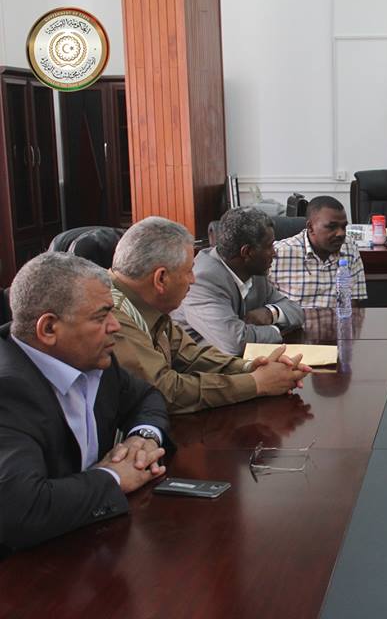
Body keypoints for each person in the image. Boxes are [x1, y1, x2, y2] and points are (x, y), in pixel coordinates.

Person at [0, 253, 171, 551]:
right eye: (100, 316)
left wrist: (142, 438)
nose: (115, 326)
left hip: (89, 544)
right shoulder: (8, 392)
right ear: (49, 329)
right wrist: (114, 477)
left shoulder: (92, 359)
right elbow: (21, 509)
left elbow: (147, 397)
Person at [110, 217, 310, 414]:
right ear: (161, 278)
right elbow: (163, 390)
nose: (193, 279)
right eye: (188, 271)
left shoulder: (149, 306)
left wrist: (250, 367)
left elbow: (190, 356)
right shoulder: (111, 313)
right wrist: (255, 383)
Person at [174, 207, 305, 356]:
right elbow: (236, 343)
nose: (274, 253)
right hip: (201, 371)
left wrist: (270, 313)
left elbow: (296, 311)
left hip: (241, 364)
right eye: (269, 246)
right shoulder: (202, 281)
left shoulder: (254, 272)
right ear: (247, 252)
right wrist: (277, 330)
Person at [270, 196, 367, 308]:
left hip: (338, 323)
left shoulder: (349, 246)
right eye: (332, 227)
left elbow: (355, 301)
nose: (341, 233)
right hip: (296, 324)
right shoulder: (277, 254)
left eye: (343, 226)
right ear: (310, 227)